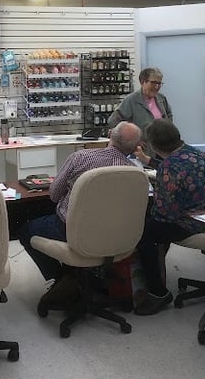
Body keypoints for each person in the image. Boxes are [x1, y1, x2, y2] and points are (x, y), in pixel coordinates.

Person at [19, 122, 143, 309]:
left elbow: (54, 195)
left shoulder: (81, 157)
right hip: (115, 238)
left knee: (26, 230)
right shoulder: (135, 173)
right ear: (135, 148)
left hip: (72, 232)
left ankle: (61, 279)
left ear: (110, 134)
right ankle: (77, 278)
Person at [133, 119, 205, 316]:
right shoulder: (198, 154)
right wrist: (149, 162)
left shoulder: (168, 168)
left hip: (189, 223)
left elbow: (165, 213)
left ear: (154, 145)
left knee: (141, 232)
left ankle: (158, 292)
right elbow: (177, 167)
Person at [107, 67, 173, 142]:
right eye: (153, 83)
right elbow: (113, 121)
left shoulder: (161, 98)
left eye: (159, 83)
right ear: (142, 82)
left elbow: (169, 115)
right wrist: (132, 139)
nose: (157, 86)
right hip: (142, 146)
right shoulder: (131, 100)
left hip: (162, 145)